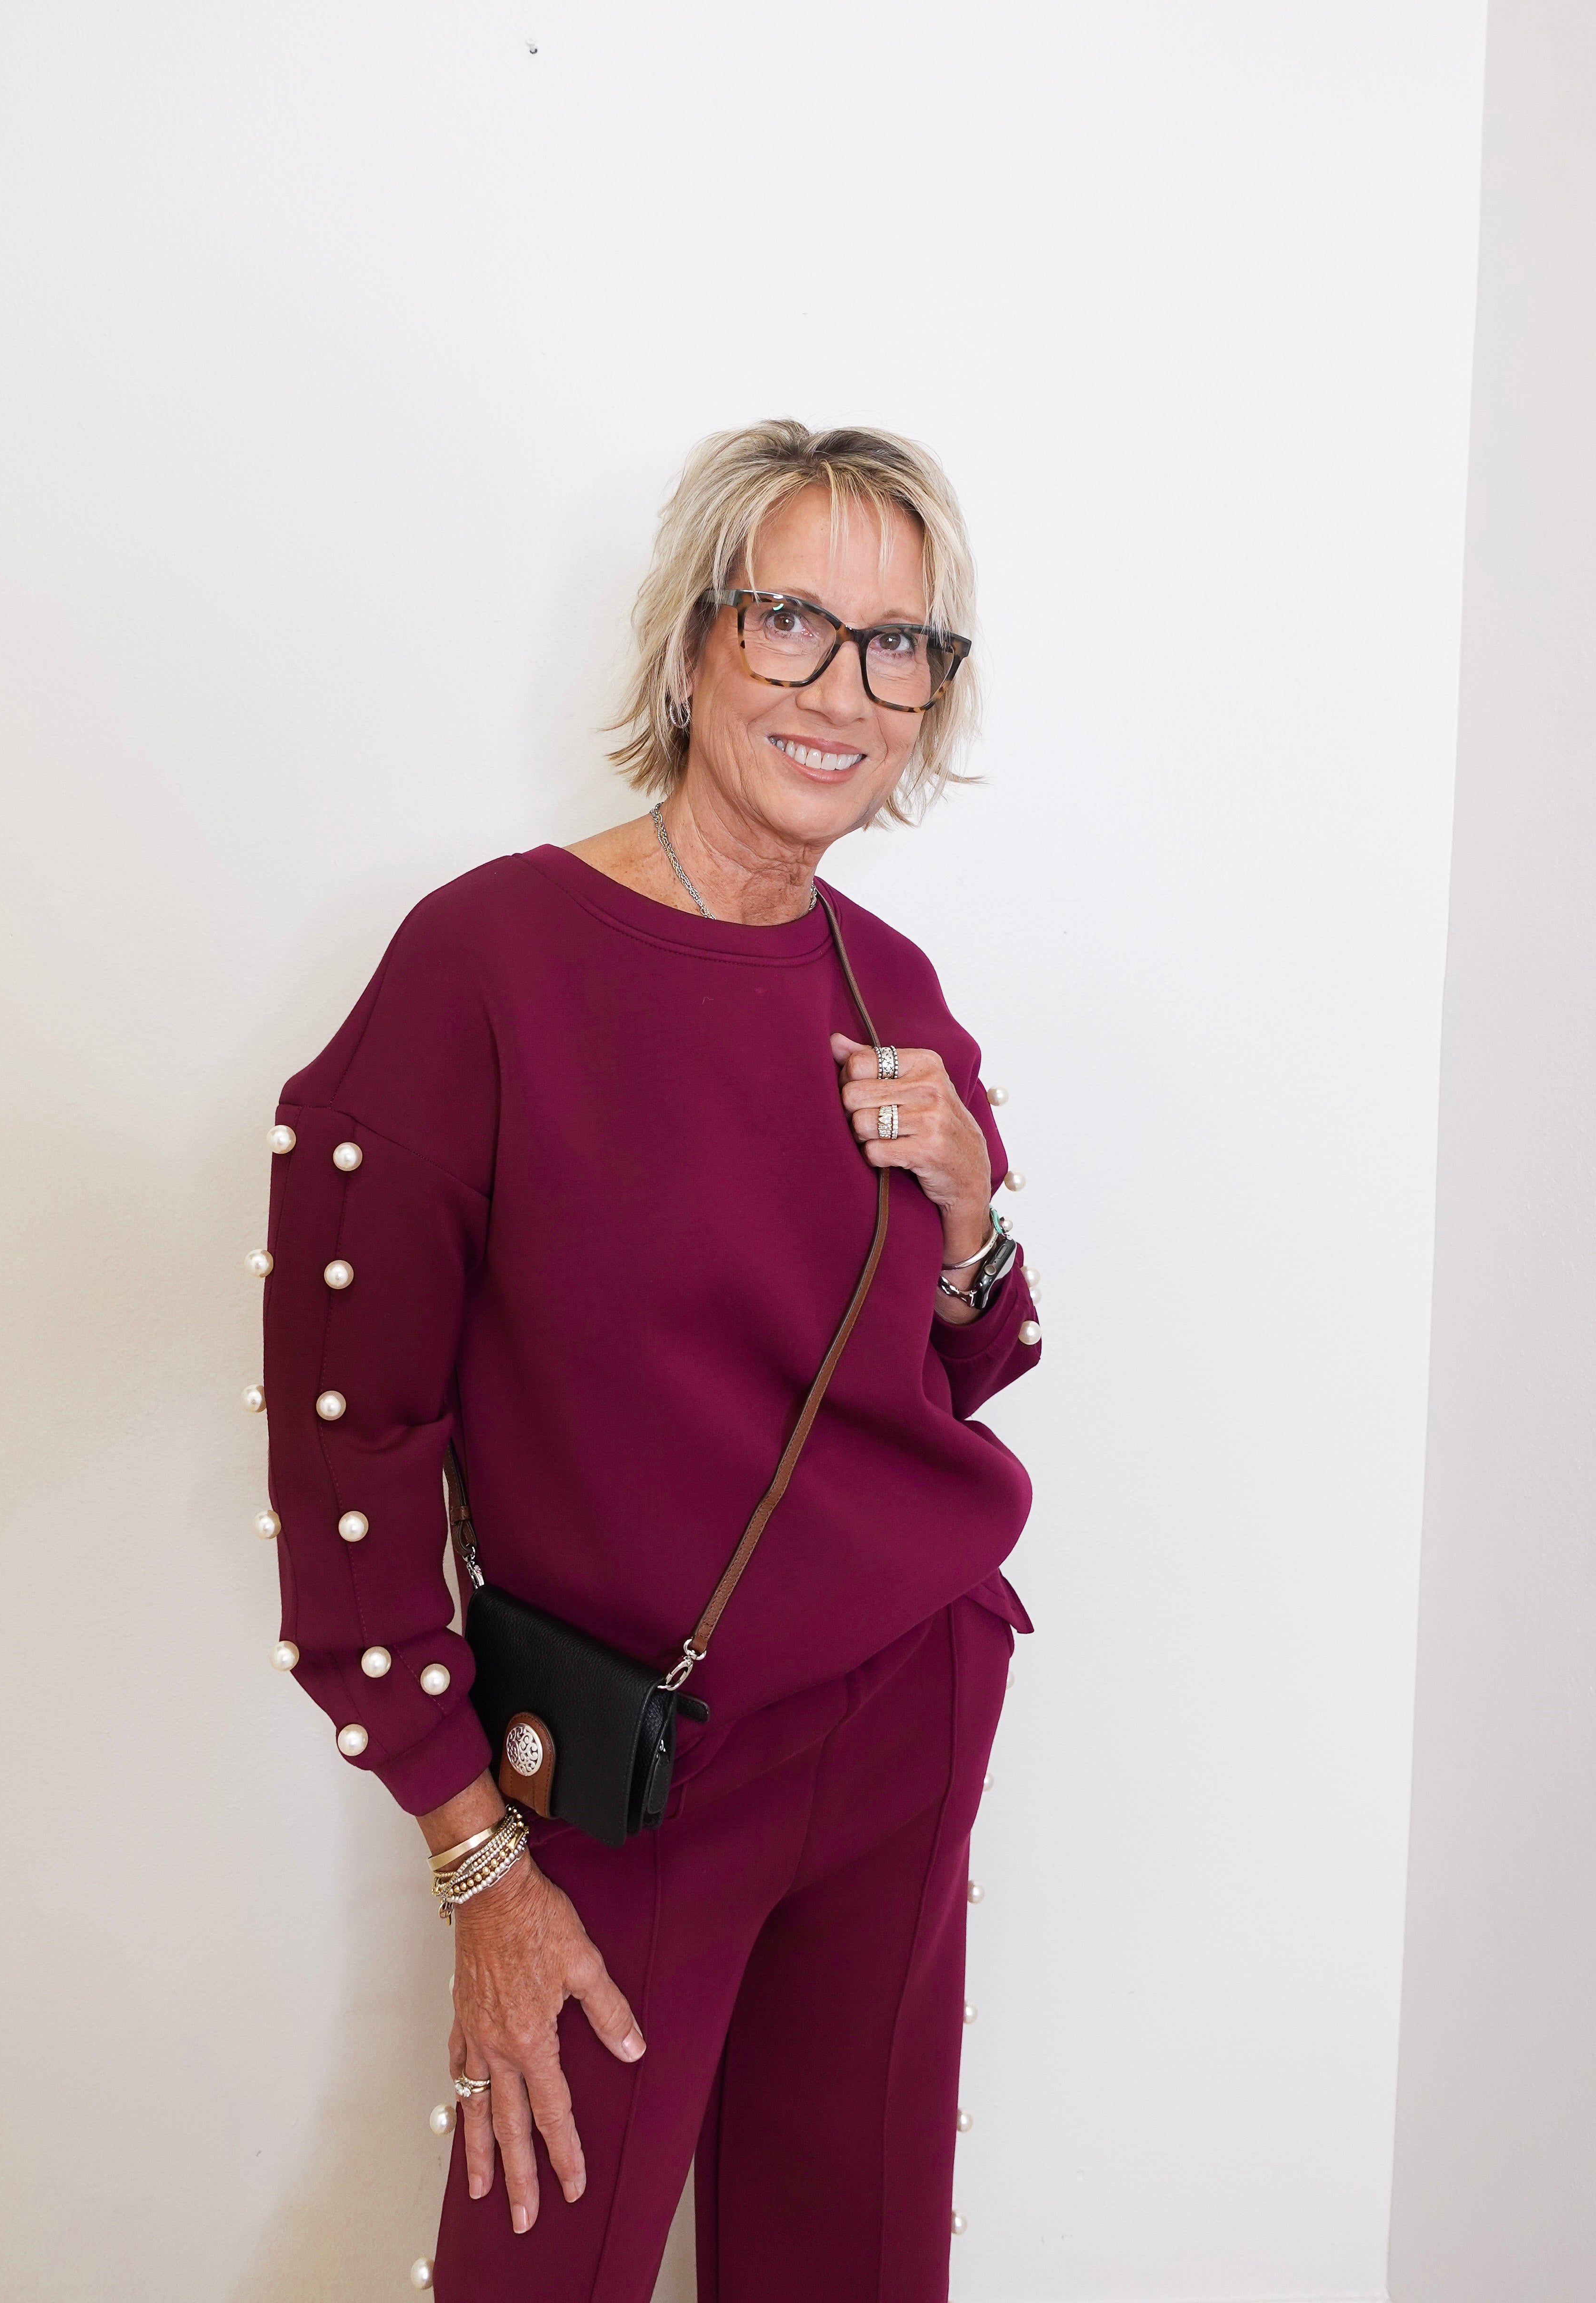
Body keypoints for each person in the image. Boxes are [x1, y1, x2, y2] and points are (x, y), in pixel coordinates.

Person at [254, 420, 1043, 2300]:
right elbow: (352, 1441)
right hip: (632, 1767)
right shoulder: (484, 966)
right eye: (791, 620)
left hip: (906, 1710)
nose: (842, 690)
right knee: (545, 2268)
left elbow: (961, 1362)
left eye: (899, 644)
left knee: (851, 2270)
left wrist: (970, 1209)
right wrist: (474, 1855)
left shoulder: (892, 986)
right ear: (694, 640)